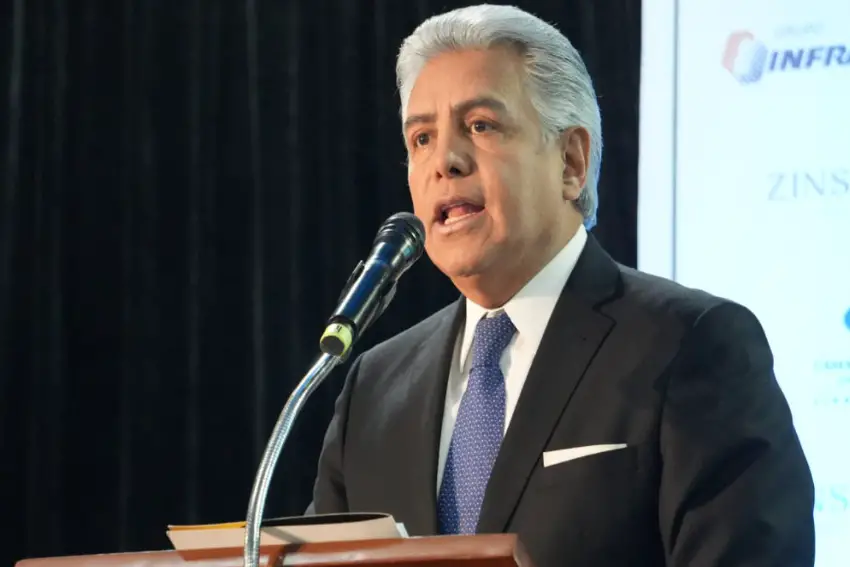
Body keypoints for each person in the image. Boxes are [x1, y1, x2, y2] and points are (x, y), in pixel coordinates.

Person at [307, 5, 815, 567]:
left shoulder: (691, 345)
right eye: (421, 138)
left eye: (480, 126)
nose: (443, 162)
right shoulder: (376, 387)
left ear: (571, 161)